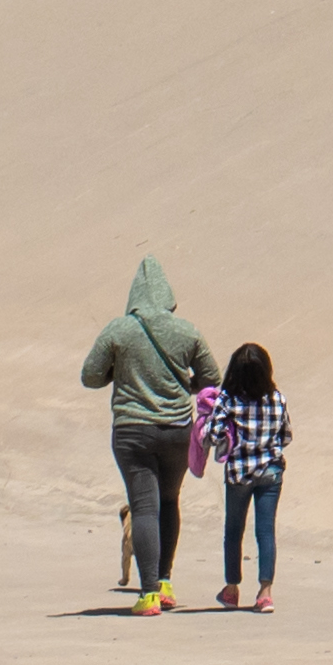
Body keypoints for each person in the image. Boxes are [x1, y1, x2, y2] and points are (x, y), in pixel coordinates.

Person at [76, 260, 215, 612]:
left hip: (132, 432)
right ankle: (165, 582)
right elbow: (212, 379)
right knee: (169, 502)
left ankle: (148, 592)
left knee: (143, 507)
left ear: (134, 296)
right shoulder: (188, 331)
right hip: (177, 431)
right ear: (169, 298)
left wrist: (120, 371)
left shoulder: (118, 330)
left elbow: (90, 376)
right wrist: (185, 383)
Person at [207, 341, 288, 611]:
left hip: (239, 474)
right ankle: (265, 593)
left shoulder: (228, 400)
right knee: (265, 532)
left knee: (234, 531)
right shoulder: (277, 399)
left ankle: (232, 589)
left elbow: (212, 435)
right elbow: (286, 436)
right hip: (270, 471)